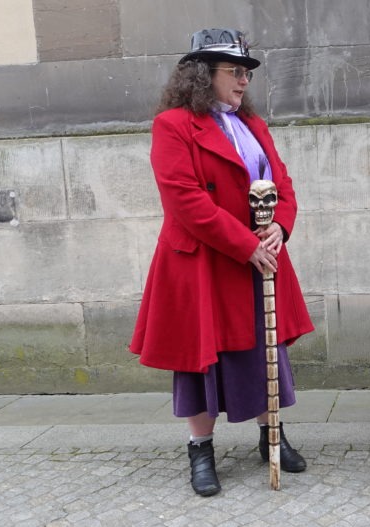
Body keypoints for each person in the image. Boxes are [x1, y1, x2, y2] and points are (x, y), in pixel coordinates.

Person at [129, 28, 314, 497]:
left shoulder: (253, 125)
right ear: (202, 74)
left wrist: (280, 228)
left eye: (247, 72)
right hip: (205, 262)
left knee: (264, 347)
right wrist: (244, 244)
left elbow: (283, 184)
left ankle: (271, 435)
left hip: (258, 254)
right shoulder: (172, 125)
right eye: (235, 71)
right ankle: (201, 449)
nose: (244, 80)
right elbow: (185, 201)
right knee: (201, 359)